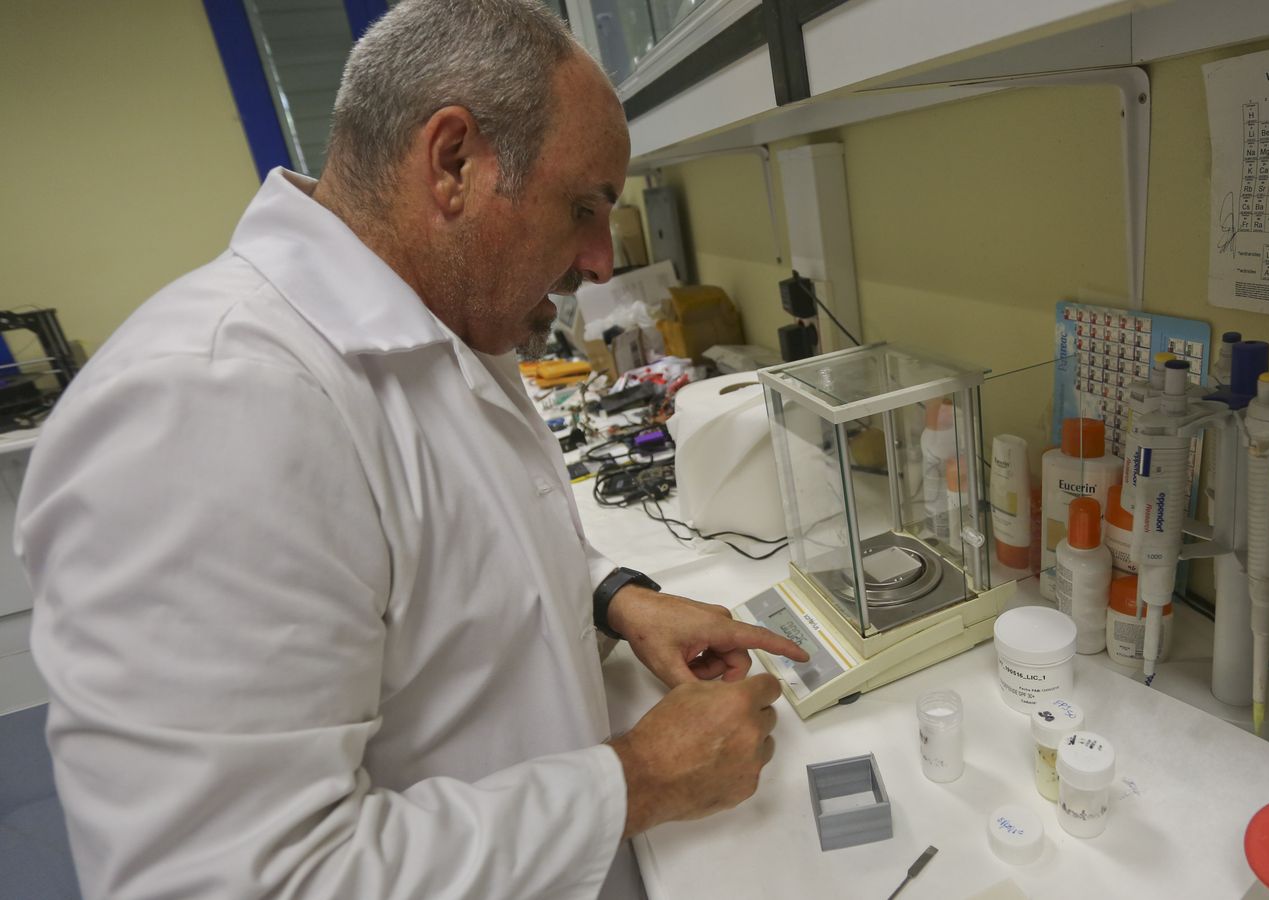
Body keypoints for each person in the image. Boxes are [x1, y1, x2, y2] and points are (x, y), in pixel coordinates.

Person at [14, 1, 806, 898]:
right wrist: (634, 783)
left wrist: (615, 600)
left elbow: (445, 542)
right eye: (583, 206)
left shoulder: (434, 325)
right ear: (453, 161)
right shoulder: (208, 405)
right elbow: (236, 881)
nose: (597, 260)